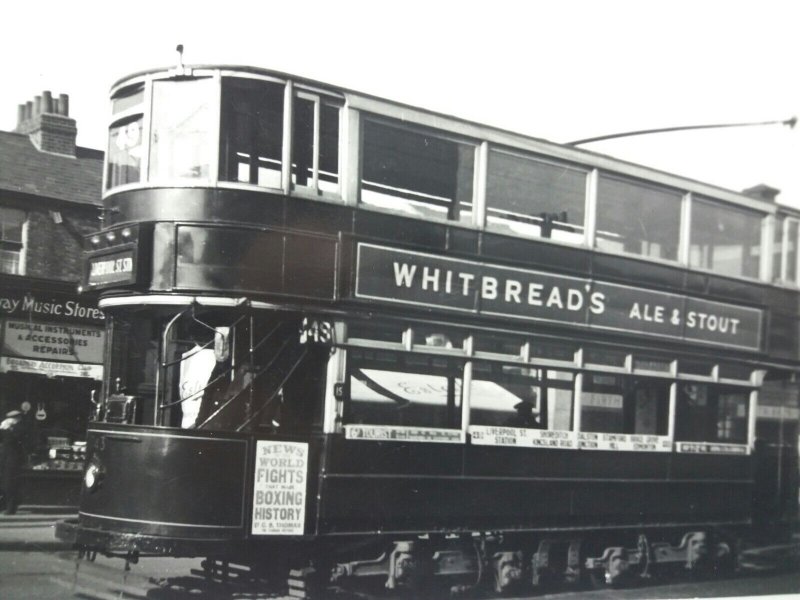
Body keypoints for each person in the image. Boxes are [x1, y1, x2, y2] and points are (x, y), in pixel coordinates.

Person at [0, 410, 25, 515]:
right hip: (5, 458)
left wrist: (8, 430)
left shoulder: (19, 429)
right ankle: (4, 505)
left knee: (10, 483)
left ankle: (11, 508)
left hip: (13, 459)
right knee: (4, 483)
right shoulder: (7, 428)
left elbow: (15, 441)